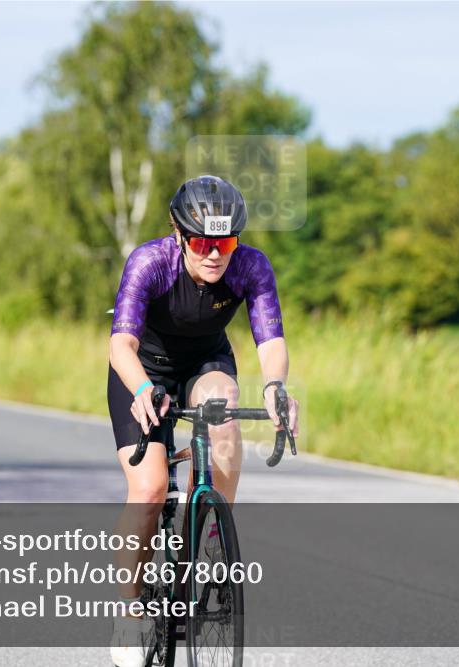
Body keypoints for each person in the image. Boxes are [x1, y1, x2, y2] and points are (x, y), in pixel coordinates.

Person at [107, 175, 299, 666]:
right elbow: (120, 344)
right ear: (179, 235)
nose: (215, 254)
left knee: (224, 422)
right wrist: (144, 388)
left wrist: (276, 387)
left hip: (206, 363)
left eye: (226, 242)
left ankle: (212, 534)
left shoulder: (251, 267)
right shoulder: (151, 262)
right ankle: (129, 613)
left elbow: (270, 341)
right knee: (149, 490)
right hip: (143, 371)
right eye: (202, 243)